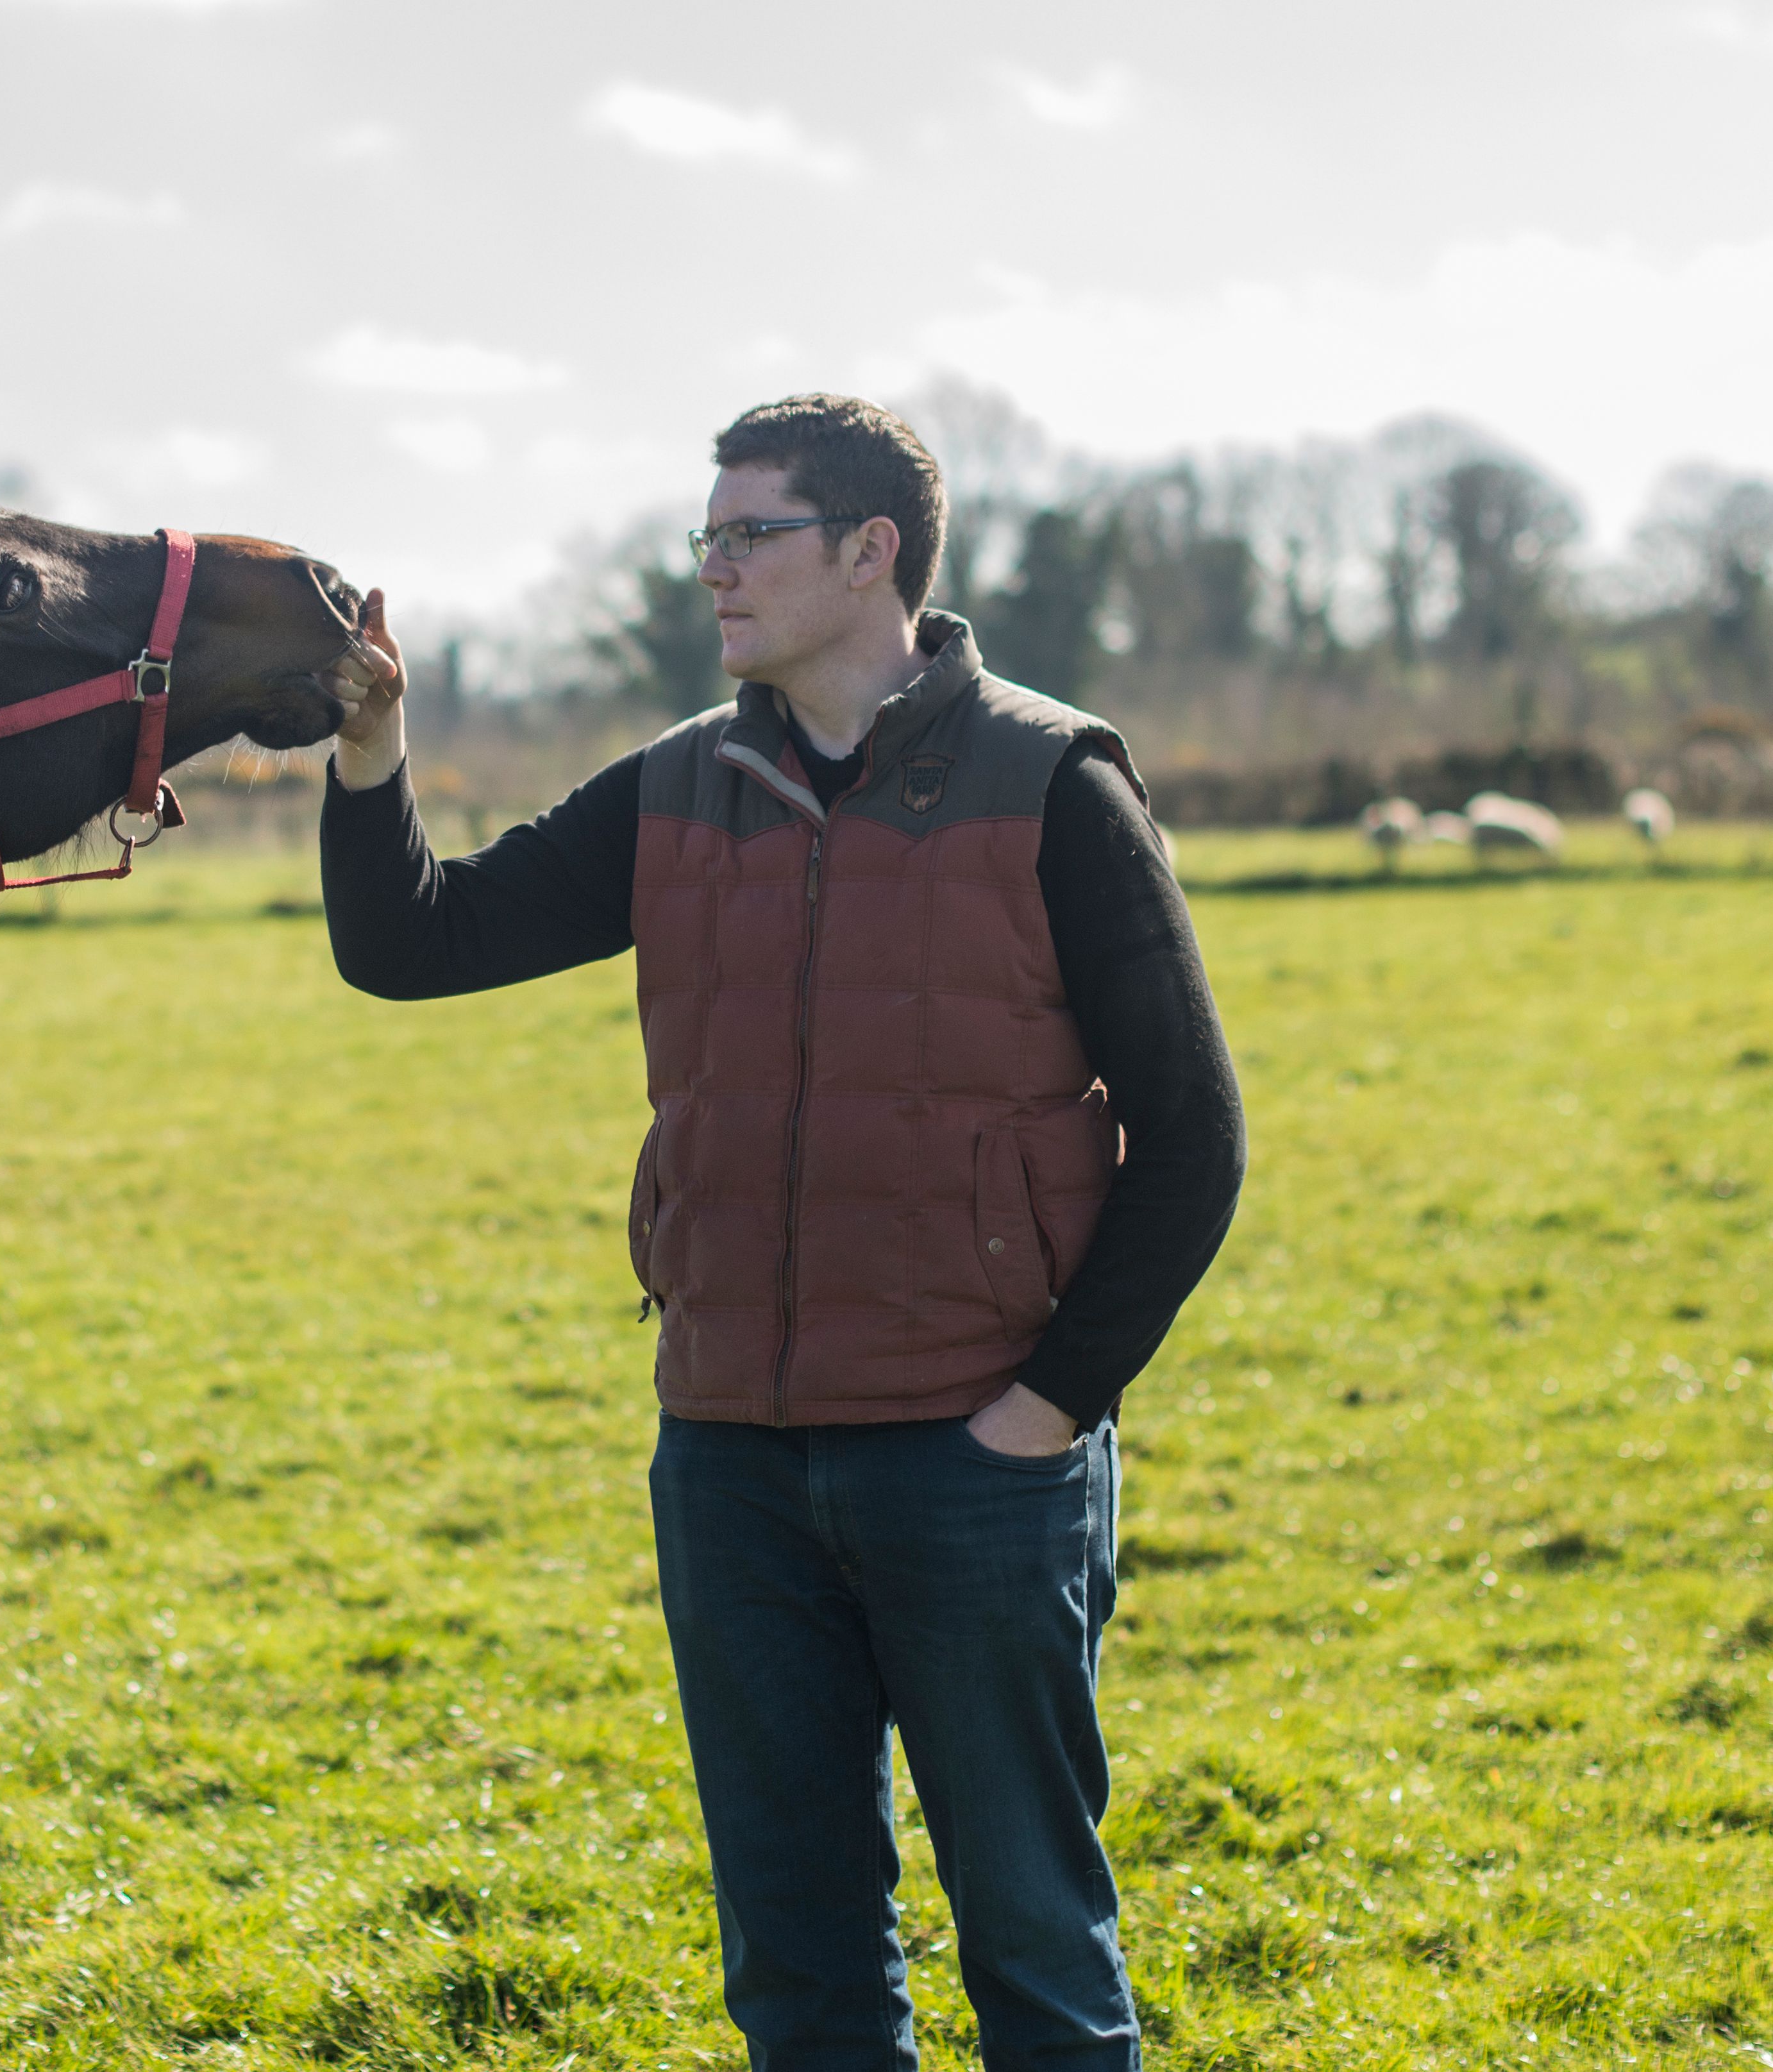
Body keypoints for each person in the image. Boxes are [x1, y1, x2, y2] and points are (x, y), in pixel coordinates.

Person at [319, 394, 1243, 2069]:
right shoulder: (681, 786)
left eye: (752, 534)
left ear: (872, 549)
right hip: (732, 1462)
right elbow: (414, 942)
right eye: (709, 534)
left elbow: (1194, 1140)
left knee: (1037, 1959)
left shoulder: (1053, 785)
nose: (714, 568)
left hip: (977, 1460)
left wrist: (1044, 1416)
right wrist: (375, 749)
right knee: (802, 1976)